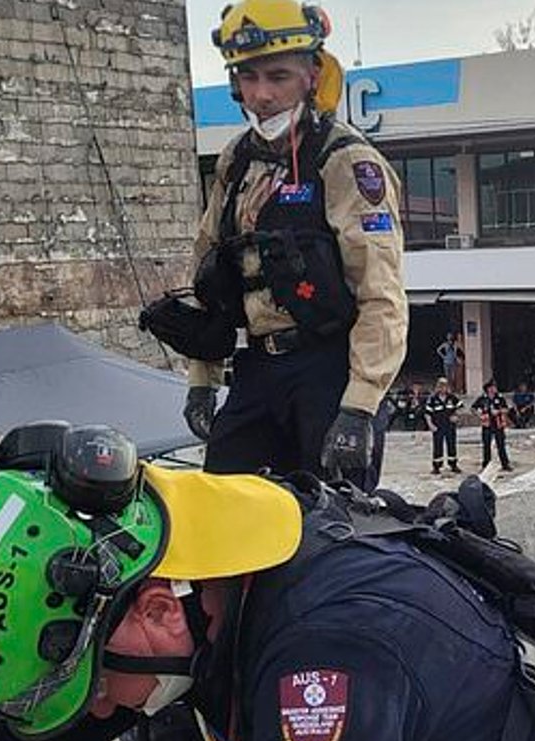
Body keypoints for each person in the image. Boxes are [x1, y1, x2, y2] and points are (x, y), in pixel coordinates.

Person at [0, 425, 535, 741]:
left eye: (96, 685)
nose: (99, 708)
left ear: (159, 608)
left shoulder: (325, 656)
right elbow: (31, 740)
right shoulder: (187, 544)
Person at [177, 0, 407, 490]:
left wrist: (359, 408)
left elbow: (381, 295)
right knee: (222, 504)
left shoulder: (346, 162)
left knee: (330, 531)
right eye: (248, 77)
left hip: (330, 370)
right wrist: (202, 379)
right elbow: (210, 273)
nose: (262, 95)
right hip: (258, 366)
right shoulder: (238, 159)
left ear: (311, 75)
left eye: (278, 76)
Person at [423, 376, 462, 474]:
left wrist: (456, 415)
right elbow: (427, 413)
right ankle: (437, 466)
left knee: (452, 445)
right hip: (438, 426)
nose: (443, 388)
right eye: (441, 386)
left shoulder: (452, 398)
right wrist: (430, 425)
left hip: (450, 426)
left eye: (445, 386)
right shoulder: (432, 399)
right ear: (438, 387)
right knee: (437, 446)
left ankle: (453, 464)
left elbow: (460, 407)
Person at [473, 379, 513, 471]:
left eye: (495, 387)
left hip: (498, 424)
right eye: (492, 387)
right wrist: (480, 415)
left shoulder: (499, 397)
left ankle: (505, 464)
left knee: (501, 445)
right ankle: (486, 464)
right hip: (487, 424)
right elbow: (473, 408)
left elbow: (506, 409)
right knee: (486, 445)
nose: (494, 389)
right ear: (488, 389)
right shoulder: (482, 398)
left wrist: (498, 411)